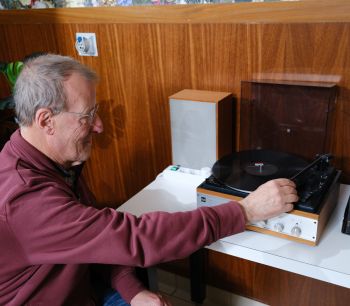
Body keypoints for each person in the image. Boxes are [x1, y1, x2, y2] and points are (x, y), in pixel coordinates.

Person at [0, 54, 298, 306]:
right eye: (87, 115)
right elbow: (135, 237)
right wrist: (246, 211)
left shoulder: (51, 161)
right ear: (46, 121)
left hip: (86, 288)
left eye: (96, 112)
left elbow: (94, 242)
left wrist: (132, 290)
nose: (99, 126)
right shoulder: (25, 200)